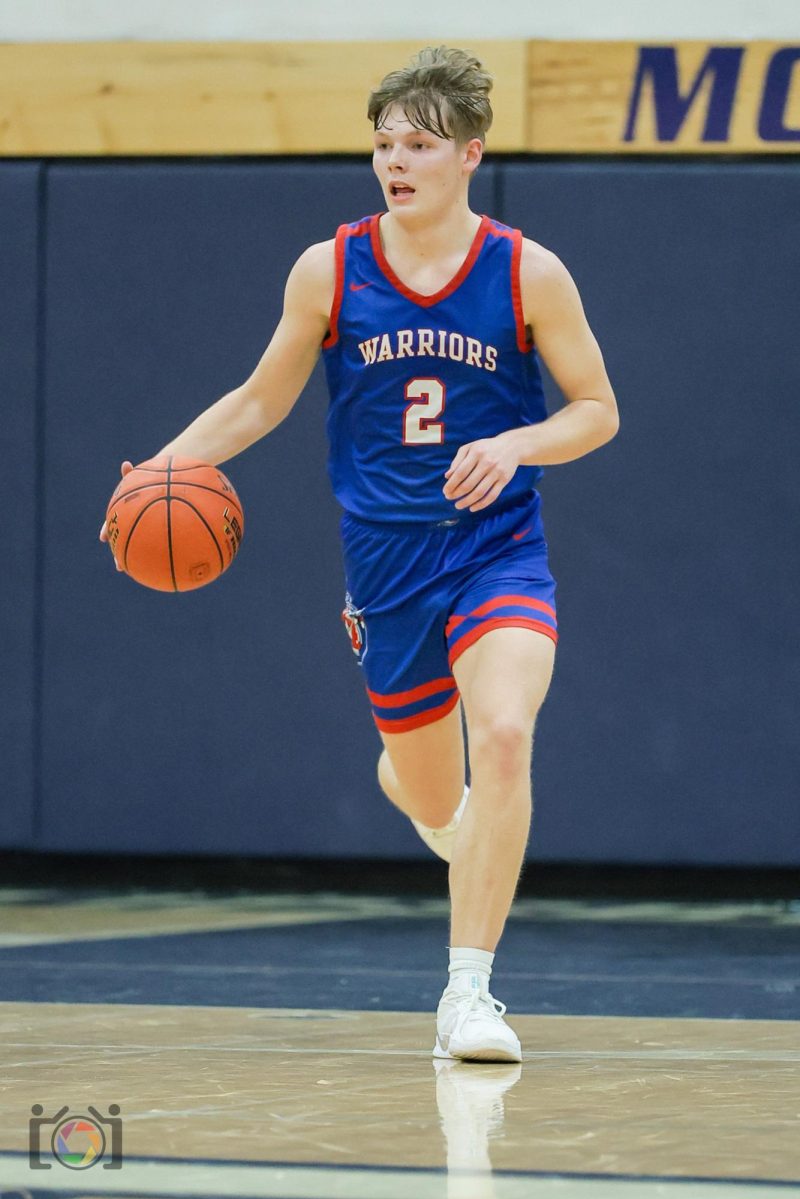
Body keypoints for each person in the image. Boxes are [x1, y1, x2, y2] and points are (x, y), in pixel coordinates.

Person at [100, 46, 618, 1062]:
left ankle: (467, 996)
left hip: (493, 551)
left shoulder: (526, 271)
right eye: (382, 143)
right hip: (384, 573)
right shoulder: (329, 268)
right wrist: (155, 469)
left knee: (503, 733)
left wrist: (515, 443)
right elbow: (259, 401)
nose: (395, 160)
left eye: (418, 143)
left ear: (468, 154)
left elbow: (596, 410)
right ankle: (424, 798)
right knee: (431, 796)